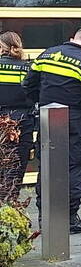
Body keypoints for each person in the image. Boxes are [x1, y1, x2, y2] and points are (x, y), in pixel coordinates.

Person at [22, 27, 81, 234]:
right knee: (74, 168)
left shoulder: (47, 54)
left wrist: (43, 103)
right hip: (76, 124)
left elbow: (28, 85)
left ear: (72, 39)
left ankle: (45, 217)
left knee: (47, 167)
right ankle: (69, 219)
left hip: (47, 121)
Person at [0, 32, 34, 201]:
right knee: (17, 164)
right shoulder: (28, 67)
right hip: (23, 119)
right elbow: (35, 94)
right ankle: (11, 202)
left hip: (2, 118)